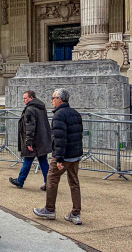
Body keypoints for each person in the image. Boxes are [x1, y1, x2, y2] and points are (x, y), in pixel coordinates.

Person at [34, 88, 83, 225]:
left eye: (53, 98)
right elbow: (78, 135)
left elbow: (59, 139)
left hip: (64, 155)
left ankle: (49, 209)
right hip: (75, 155)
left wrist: (59, 158)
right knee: (74, 183)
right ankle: (76, 213)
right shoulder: (75, 113)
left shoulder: (59, 115)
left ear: (59, 100)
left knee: (52, 179)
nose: (51, 101)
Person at [10, 90, 52, 191]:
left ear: (31, 98)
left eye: (25, 98)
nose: (24, 100)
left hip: (34, 141)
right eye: (23, 98)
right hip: (42, 140)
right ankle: (49, 184)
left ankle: (20, 181)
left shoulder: (30, 109)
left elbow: (30, 127)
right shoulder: (41, 108)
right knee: (43, 162)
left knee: (28, 160)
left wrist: (28, 142)